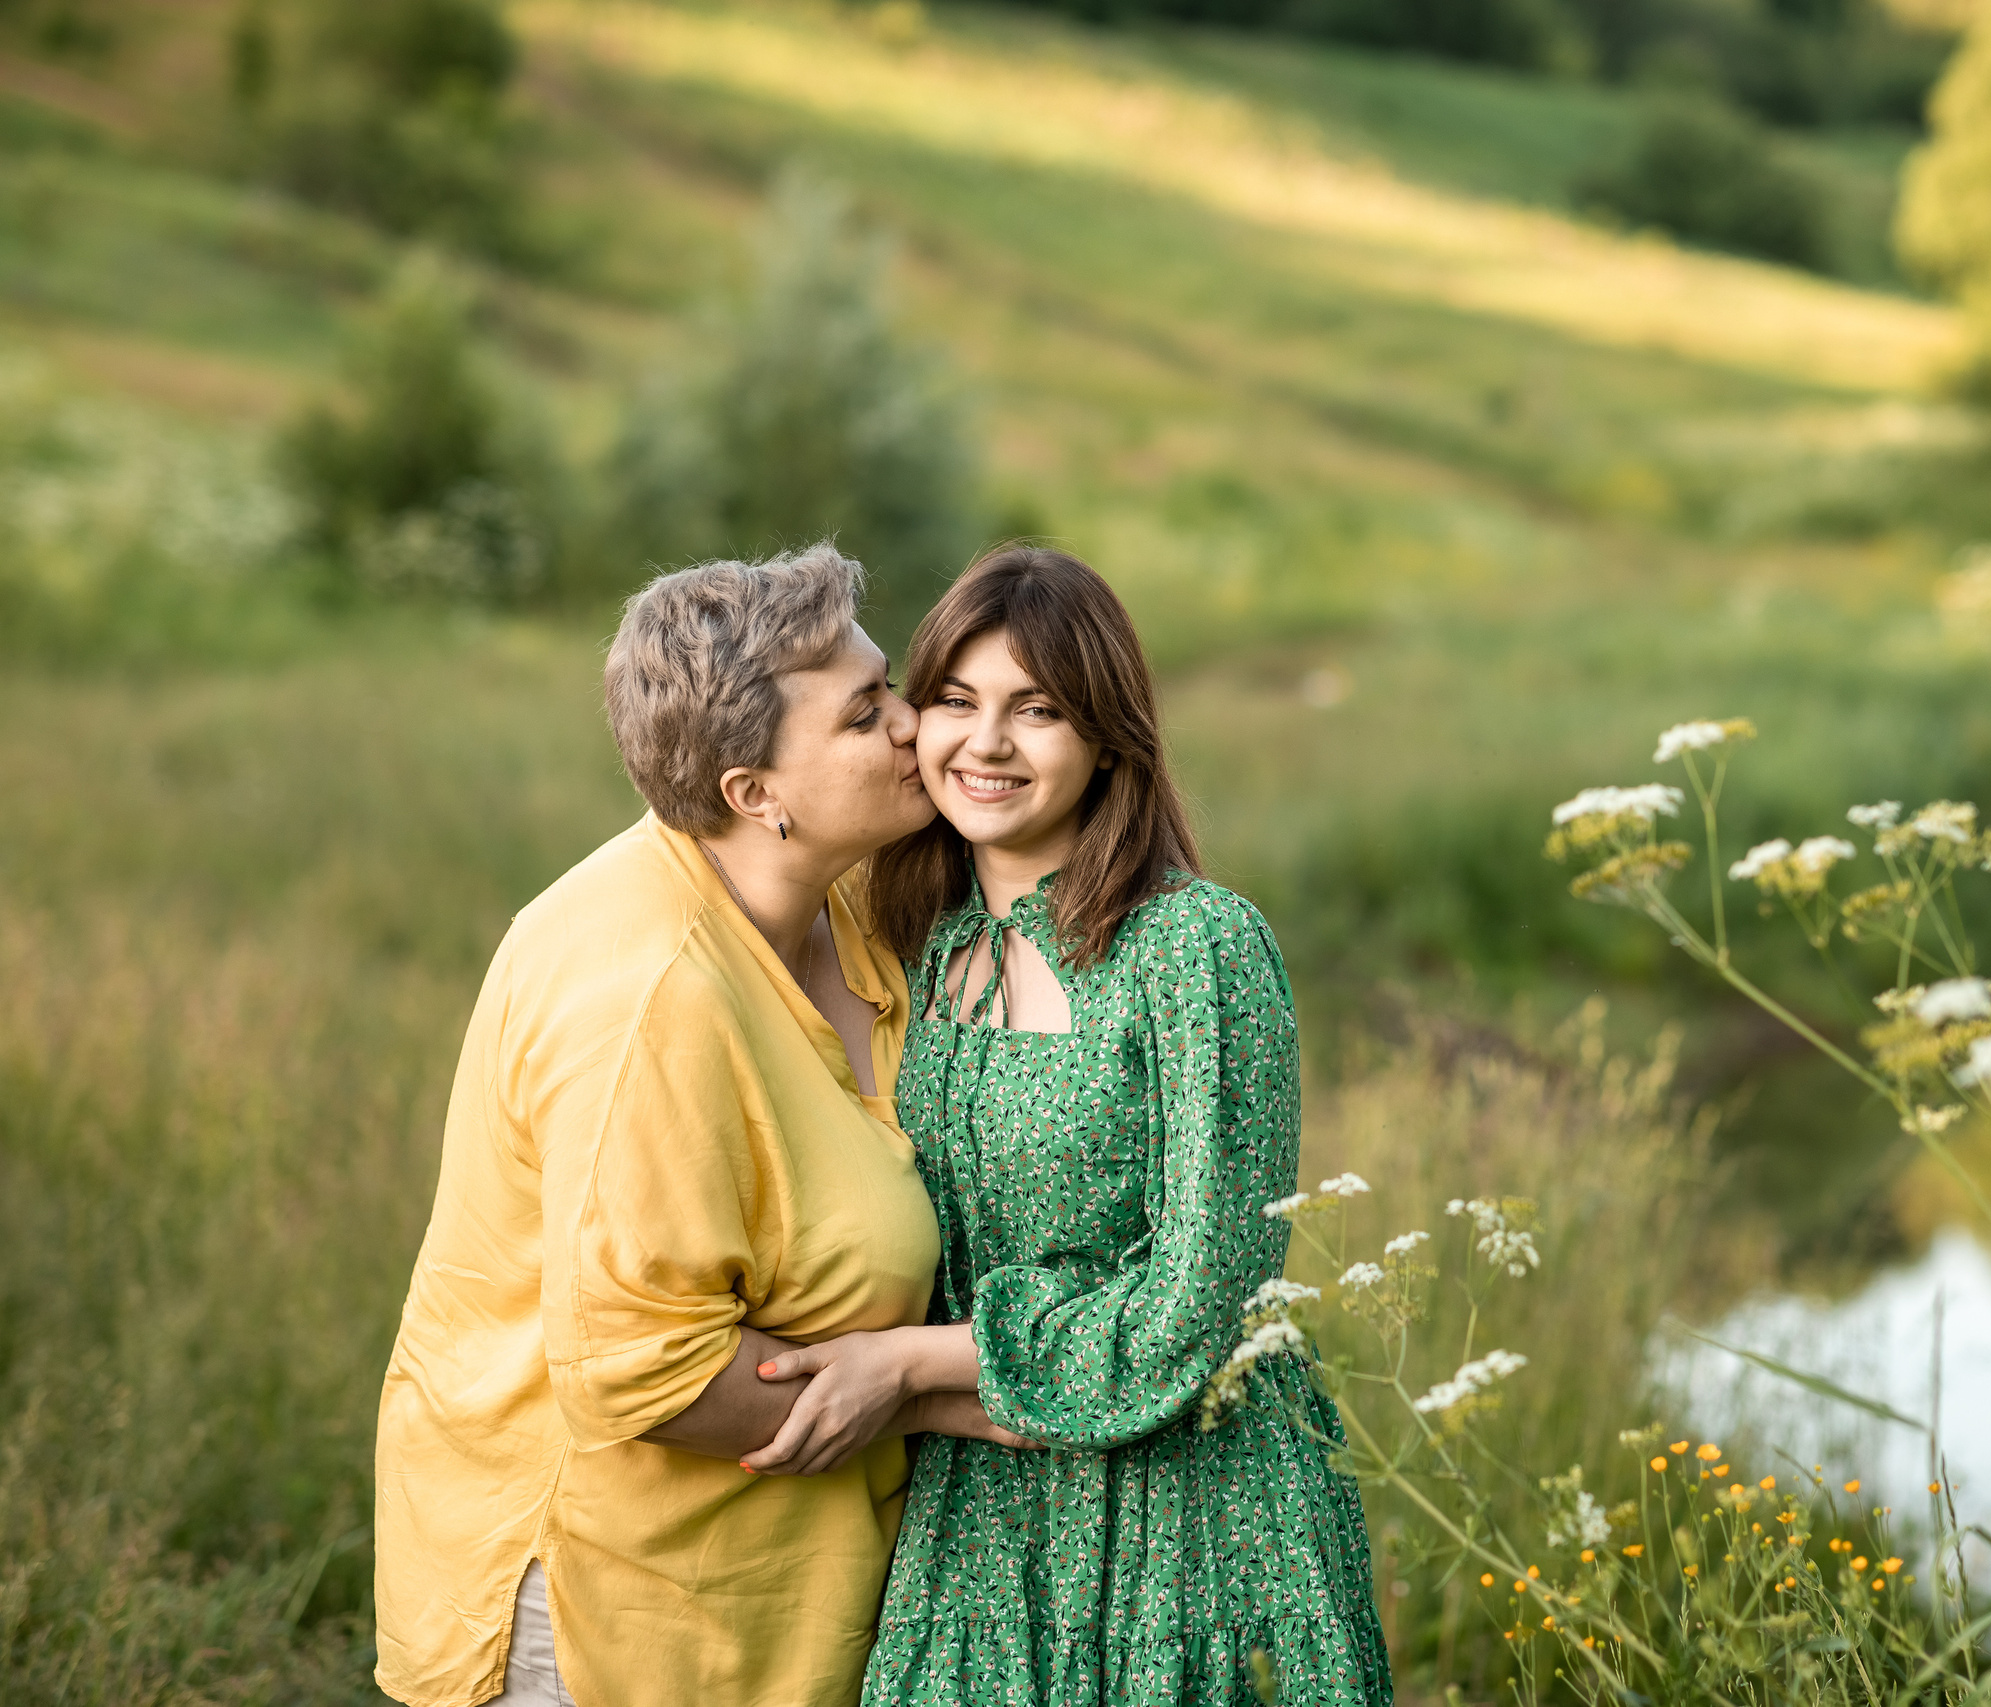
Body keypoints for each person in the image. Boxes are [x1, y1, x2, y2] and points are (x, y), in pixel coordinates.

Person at [374, 544, 1023, 1707]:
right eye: (865, 712)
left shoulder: (838, 905)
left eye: (891, 687)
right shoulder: (650, 997)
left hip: (766, 1587)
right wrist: (937, 1393)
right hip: (617, 1612)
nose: (911, 724)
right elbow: (645, 1378)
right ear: (754, 794)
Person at [753, 545, 1393, 1705]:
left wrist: (904, 1364)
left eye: (1036, 711)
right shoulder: (905, 943)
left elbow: (1202, 1298)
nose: (985, 746)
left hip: (1191, 1504)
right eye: (955, 700)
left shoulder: (1193, 948)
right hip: (978, 1507)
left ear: (1107, 737)